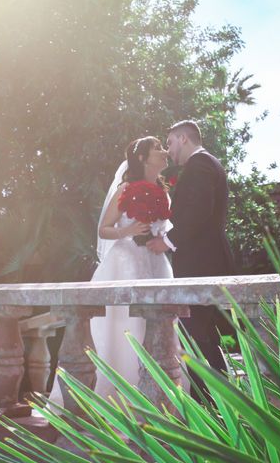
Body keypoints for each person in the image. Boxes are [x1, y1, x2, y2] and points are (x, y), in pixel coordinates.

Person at [49, 136, 173, 405]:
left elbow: (166, 226)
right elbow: (103, 230)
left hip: (155, 260)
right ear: (142, 158)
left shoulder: (164, 190)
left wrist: (159, 236)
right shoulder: (126, 188)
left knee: (159, 324)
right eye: (158, 149)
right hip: (126, 261)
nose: (165, 152)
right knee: (123, 324)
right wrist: (129, 231)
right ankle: (117, 395)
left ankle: (159, 396)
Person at [147, 120, 236, 400]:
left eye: (170, 143)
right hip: (205, 261)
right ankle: (219, 402)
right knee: (203, 335)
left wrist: (167, 242)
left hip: (202, 262)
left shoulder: (200, 165)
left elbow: (198, 211)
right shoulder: (205, 165)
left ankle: (206, 405)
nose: (169, 150)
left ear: (183, 138)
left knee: (194, 335)